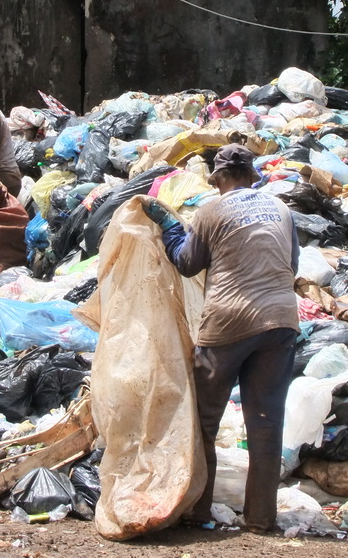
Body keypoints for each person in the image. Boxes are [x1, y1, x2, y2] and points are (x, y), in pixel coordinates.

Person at [143, 143, 299, 533]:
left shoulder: (212, 211)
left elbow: (187, 263)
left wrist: (171, 228)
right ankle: (261, 518)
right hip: (281, 320)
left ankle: (198, 510)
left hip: (229, 321)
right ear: (251, 176)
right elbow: (292, 265)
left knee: (203, 421)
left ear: (219, 179)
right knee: (266, 424)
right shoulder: (280, 208)